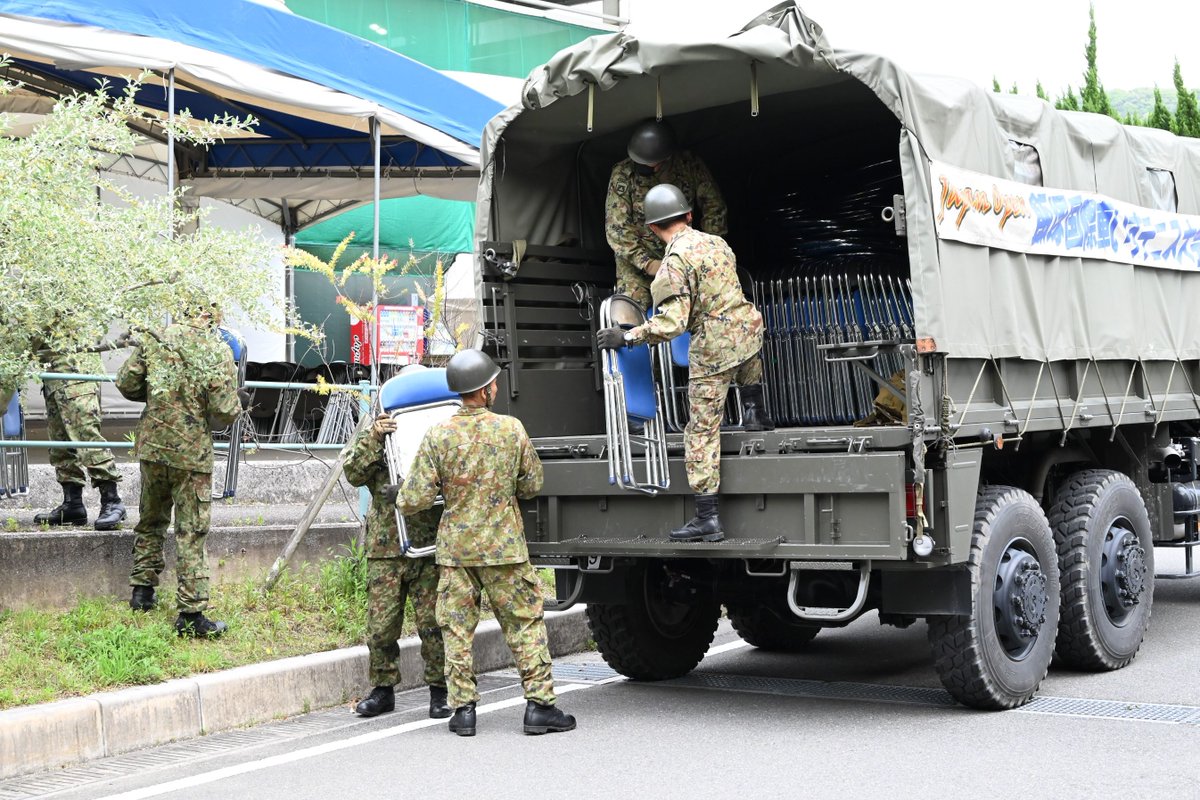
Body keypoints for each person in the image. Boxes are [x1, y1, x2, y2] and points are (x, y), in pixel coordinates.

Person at [396, 349, 575, 737]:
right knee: (525, 624)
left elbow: (412, 501)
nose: (496, 386)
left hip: (457, 553)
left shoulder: (438, 435)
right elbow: (532, 485)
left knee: (456, 631)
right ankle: (540, 707)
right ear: (484, 389)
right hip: (505, 549)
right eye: (493, 382)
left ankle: (462, 712)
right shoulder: (511, 429)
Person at [596, 183, 772, 543]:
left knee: (702, 431)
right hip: (749, 331)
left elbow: (672, 324)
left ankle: (707, 517)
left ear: (651, 228)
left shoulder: (673, 264)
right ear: (689, 215)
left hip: (716, 349)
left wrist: (626, 336)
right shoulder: (718, 243)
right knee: (746, 361)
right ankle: (756, 415)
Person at [115, 306, 246, 637]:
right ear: (212, 316)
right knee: (191, 530)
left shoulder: (155, 339)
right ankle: (191, 615)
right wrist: (239, 400)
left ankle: (142, 592)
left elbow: (126, 384)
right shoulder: (216, 348)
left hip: (154, 447)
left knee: (151, 520)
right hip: (191, 455)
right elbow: (224, 410)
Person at [342, 404, 450, 720]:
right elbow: (353, 473)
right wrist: (374, 437)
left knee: (434, 624)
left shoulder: (434, 432)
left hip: (427, 542)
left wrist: (410, 490)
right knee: (381, 628)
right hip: (385, 546)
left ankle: (440, 691)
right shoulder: (378, 433)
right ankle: (382, 690)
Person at [605, 119, 728, 310]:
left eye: (656, 164)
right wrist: (648, 264)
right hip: (638, 264)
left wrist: (707, 250)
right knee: (630, 310)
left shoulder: (688, 165)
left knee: (704, 304)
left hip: (684, 256)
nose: (650, 168)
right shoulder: (623, 175)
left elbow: (714, 207)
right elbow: (617, 229)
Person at [34, 349, 126, 530]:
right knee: (60, 443)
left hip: (76, 374)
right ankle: (73, 504)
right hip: (53, 378)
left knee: (86, 437)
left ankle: (112, 501)